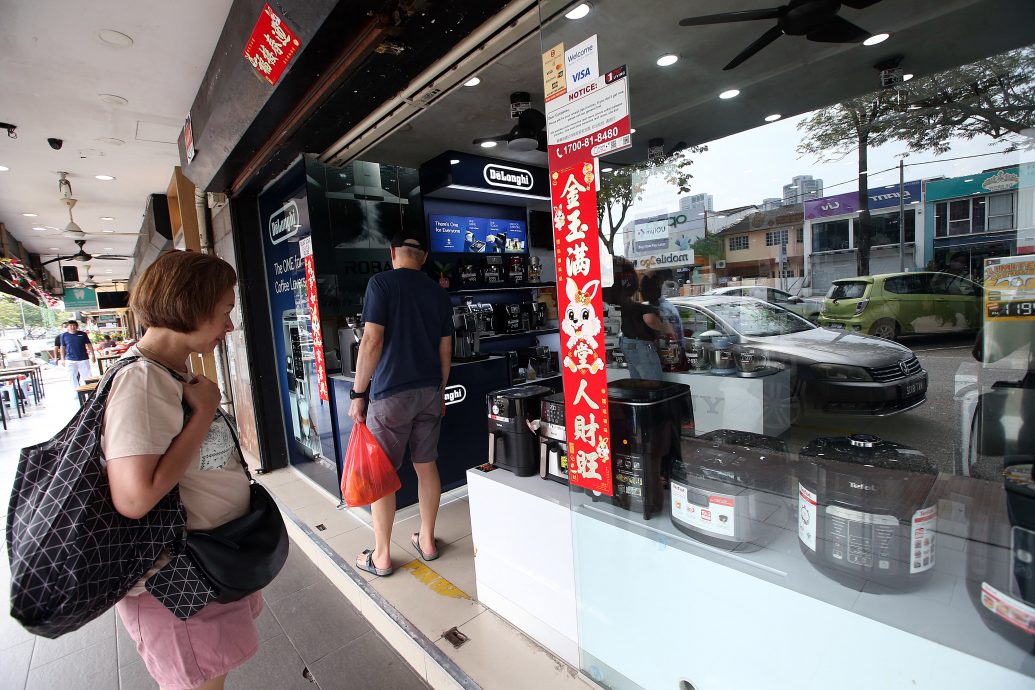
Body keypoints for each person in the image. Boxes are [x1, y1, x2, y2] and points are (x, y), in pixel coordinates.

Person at [101, 250, 258, 690]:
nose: (230, 325)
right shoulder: (142, 381)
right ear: (191, 305)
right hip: (174, 582)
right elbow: (134, 498)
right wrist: (206, 411)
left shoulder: (168, 372)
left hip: (204, 566)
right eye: (225, 311)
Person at [348, 232, 453, 576]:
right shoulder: (438, 292)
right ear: (423, 258)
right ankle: (427, 540)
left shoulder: (381, 284)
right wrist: (440, 391)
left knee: (383, 475)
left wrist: (358, 393)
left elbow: (371, 341)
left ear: (393, 253)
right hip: (428, 391)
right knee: (426, 465)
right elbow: (445, 349)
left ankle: (381, 556)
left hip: (390, 394)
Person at [614, 260, 668, 379]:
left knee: (639, 386)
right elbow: (649, 319)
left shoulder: (627, 288)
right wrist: (666, 329)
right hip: (641, 345)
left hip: (628, 341)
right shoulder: (644, 290)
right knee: (653, 386)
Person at [59, 319, 95, 391]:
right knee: (71, 376)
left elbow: (89, 344)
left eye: (74, 325)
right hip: (70, 359)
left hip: (83, 358)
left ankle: (89, 391)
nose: (72, 327)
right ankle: (76, 391)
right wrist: (62, 359)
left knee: (87, 376)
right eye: (70, 325)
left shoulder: (83, 334)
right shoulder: (64, 335)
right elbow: (62, 347)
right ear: (68, 327)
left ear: (77, 326)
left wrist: (93, 354)